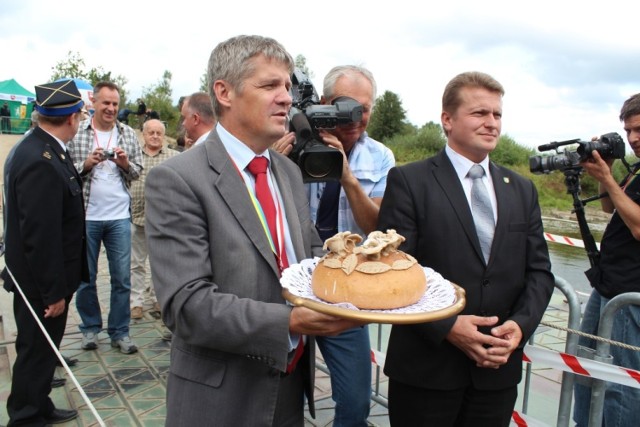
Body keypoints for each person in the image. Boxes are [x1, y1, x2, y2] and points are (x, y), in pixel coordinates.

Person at [145, 34, 361, 426]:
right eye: (269, 85)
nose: (285, 98)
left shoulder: (290, 172)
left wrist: (364, 276)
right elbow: (187, 305)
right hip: (221, 400)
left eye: (286, 86)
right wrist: (291, 322)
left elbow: (311, 262)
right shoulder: (177, 180)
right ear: (224, 92)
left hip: (290, 390)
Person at [377, 71, 555, 426]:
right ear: (447, 119)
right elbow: (392, 272)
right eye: (479, 113)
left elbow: (539, 272)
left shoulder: (522, 189)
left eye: (497, 115)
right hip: (426, 371)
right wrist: (446, 327)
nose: (491, 123)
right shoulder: (409, 181)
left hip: (496, 373)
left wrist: (519, 328)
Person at [274, 65, 395, 426]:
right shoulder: (285, 141)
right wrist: (276, 164)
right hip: (289, 285)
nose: (356, 118)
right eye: (346, 107)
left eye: (365, 108)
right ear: (324, 104)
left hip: (347, 291)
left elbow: (377, 228)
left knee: (356, 401)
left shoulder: (380, 158)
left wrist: (347, 177)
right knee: (279, 393)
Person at [1, 79, 88, 426]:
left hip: (44, 279)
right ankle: (25, 417)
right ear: (72, 118)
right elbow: (41, 235)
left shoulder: (45, 148)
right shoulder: (40, 157)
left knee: (42, 350)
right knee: (35, 352)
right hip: (41, 284)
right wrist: (53, 292)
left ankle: (39, 404)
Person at [573, 93, 640, 427]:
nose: (633, 138)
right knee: (584, 366)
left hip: (630, 294)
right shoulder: (638, 170)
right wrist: (608, 174)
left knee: (621, 381)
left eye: (639, 129)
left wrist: (609, 180)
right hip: (608, 286)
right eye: (628, 131)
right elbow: (610, 210)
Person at [67, 81, 143, 355]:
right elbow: (64, 172)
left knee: (121, 278)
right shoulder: (78, 135)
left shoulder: (128, 134)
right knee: (86, 278)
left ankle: (120, 332)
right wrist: (86, 164)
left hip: (119, 217)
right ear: (94, 104)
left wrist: (124, 164)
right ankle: (89, 328)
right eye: (106, 103)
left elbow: (137, 171)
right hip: (86, 216)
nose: (111, 108)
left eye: (115, 104)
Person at [130, 119, 179, 320]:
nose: (156, 136)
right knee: (136, 263)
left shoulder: (174, 157)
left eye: (159, 133)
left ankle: (160, 299)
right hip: (137, 217)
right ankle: (136, 302)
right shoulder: (134, 156)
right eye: (151, 132)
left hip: (163, 221)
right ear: (144, 134)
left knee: (161, 263)